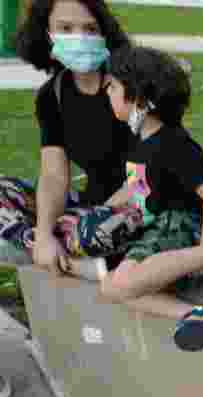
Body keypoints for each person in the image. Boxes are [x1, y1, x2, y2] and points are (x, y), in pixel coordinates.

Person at [99, 45, 203, 351]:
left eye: (112, 86)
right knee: (110, 286)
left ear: (139, 97)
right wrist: (100, 211)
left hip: (178, 225)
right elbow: (136, 188)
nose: (108, 93)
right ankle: (197, 315)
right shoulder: (139, 141)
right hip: (156, 230)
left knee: (124, 283)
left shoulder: (173, 143)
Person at [0, 0, 140, 278]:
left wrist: (83, 219)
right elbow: (53, 175)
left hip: (135, 204)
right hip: (86, 207)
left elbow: (146, 176)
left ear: (104, 34)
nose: (80, 37)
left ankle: (52, 249)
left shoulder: (131, 87)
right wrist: (43, 233)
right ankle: (57, 251)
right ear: (46, 32)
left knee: (97, 230)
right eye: (65, 28)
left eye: (90, 28)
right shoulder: (53, 95)